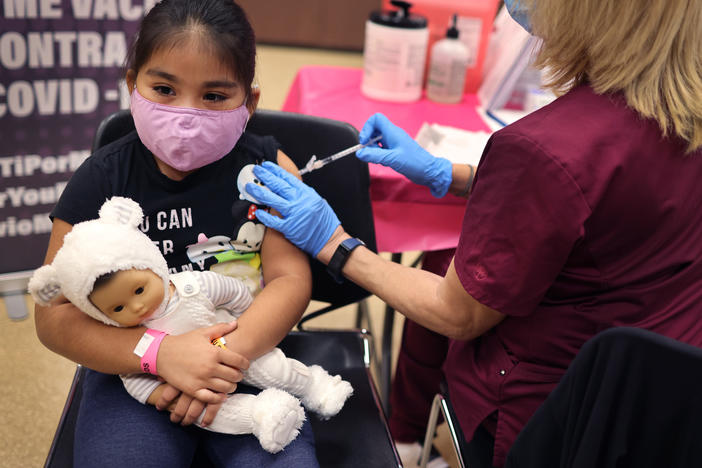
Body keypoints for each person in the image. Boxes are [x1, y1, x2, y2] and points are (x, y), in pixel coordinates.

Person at [244, 0, 702, 466]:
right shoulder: (681, 107)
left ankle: (413, 440)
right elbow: (600, 194)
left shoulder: (544, 148)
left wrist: (334, 244)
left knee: (444, 264)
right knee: (444, 259)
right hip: (667, 390)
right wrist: (454, 175)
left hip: (554, 412)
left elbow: (456, 314)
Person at [33, 1, 319, 466]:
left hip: (250, 356)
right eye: (164, 89)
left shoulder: (268, 172)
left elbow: (290, 280)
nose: (186, 115)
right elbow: (53, 316)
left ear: (249, 101)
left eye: (213, 96)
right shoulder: (101, 178)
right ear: (132, 85)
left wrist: (219, 359)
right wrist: (160, 354)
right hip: (131, 368)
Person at [30, 197, 353, 453]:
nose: (137, 306)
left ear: (152, 264)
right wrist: (168, 394)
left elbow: (235, 293)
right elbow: (138, 383)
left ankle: (314, 386)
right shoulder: (125, 341)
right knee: (216, 416)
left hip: (237, 344)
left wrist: (243, 329)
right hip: (187, 393)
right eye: (117, 308)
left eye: (140, 289)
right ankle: (262, 417)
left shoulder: (192, 286)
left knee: (272, 367)